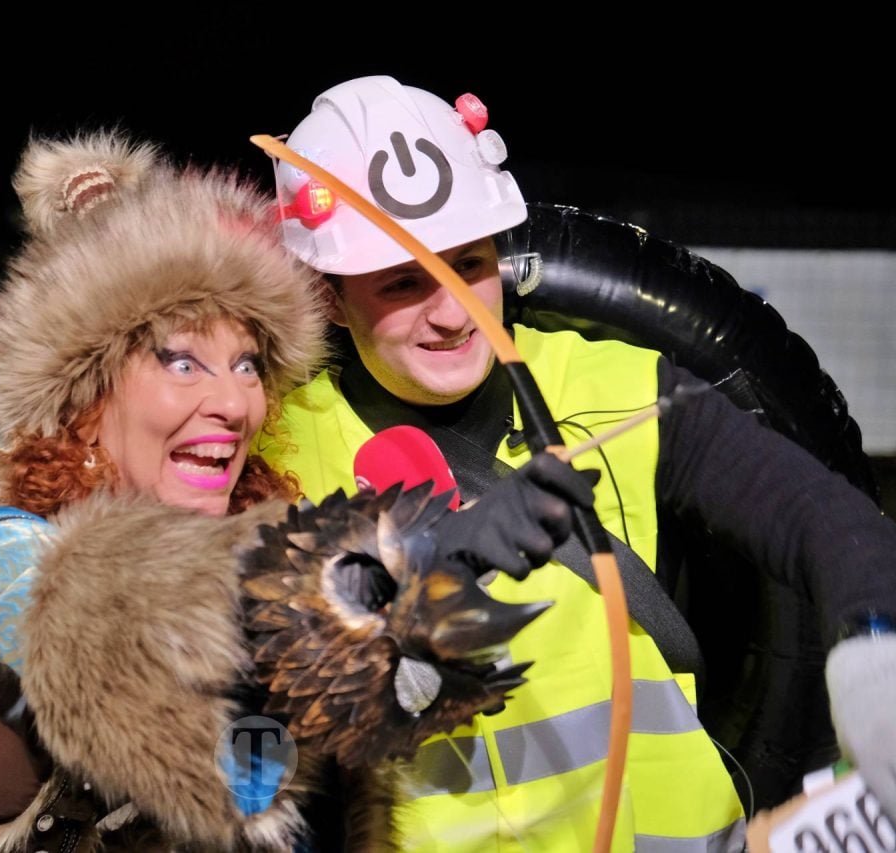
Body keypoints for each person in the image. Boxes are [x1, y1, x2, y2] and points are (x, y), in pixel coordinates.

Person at [0, 132, 597, 852]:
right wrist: (390, 556)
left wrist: (406, 630)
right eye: (181, 359)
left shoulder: (244, 535)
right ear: (86, 389)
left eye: (250, 363)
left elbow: (252, 772)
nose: (232, 399)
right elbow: (107, 610)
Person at [261, 75, 896, 851]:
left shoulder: (619, 386)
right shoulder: (279, 449)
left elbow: (819, 516)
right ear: (328, 297)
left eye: (470, 262)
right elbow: (257, 691)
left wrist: (878, 644)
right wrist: (433, 563)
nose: (454, 309)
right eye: (403, 282)